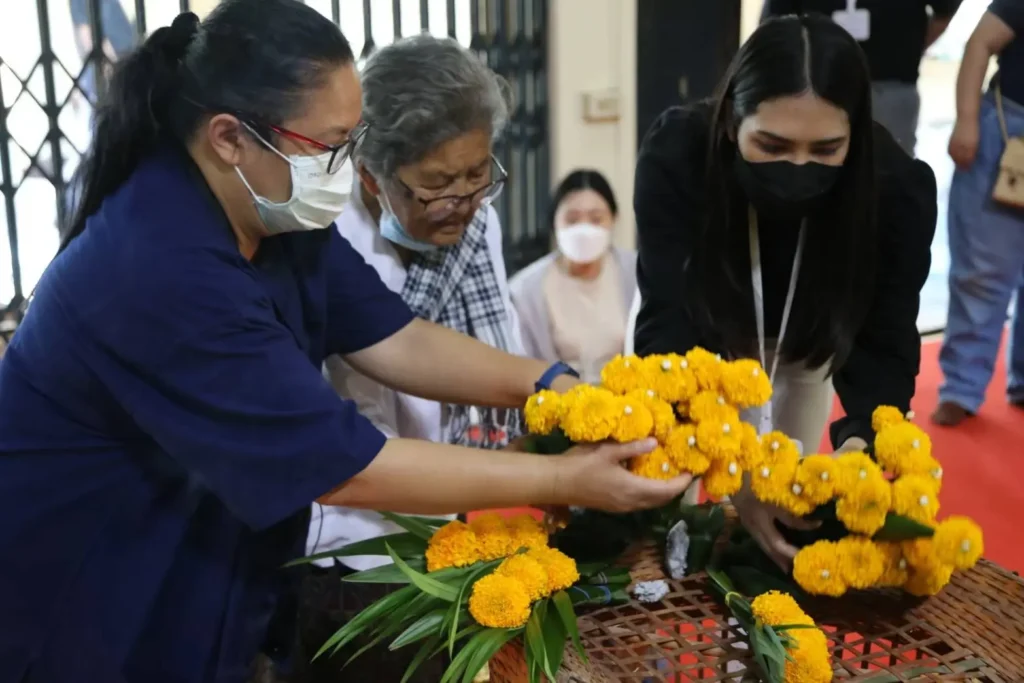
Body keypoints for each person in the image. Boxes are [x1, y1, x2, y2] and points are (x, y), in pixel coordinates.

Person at [0, 3, 693, 683]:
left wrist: (551, 383)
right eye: (328, 146)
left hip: (203, 560)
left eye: (350, 138)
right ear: (228, 138)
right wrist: (566, 479)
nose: (346, 166)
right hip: (91, 582)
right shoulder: (159, 267)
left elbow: (396, 337)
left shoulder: (273, 217)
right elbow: (347, 465)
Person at [633, 14, 937, 569]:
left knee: (788, 498)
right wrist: (731, 467)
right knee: (665, 504)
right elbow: (668, 328)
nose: (798, 166)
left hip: (812, 337)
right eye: (771, 144)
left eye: (825, 150)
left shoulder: (893, 189)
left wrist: (859, 449)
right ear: (730, 122)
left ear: (856, 134)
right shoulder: (679, 155)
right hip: (703, 330)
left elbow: (886, 338)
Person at [298, 35, 526, 682]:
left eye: (478, 172)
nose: (463, 200)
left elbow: (486, 349)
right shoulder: (326, 234)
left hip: (444, 522)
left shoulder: (476, 221)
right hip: (344, 542)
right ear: (371, 173)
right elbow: (394, 357)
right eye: (438, 183)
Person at [934, 2, 1024, 426]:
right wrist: (967, 119)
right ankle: (962, 388)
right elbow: (980, 43)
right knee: (982, 270)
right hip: (1009, 128)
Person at [761, 0, 962, 156]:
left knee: (891, 177)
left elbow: (944, 11)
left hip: (890, 82)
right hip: (812, 84)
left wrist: (911, 47)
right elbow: (773, 26)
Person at [510, 169, 637, 384]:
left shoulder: (636, 274)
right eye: (572, 219)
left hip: (628, 407)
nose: (584, 229)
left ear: (614, 219)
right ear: (554, 223)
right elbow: (521, 363)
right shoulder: (526, 290)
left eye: (596, 219)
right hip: (559, 408)